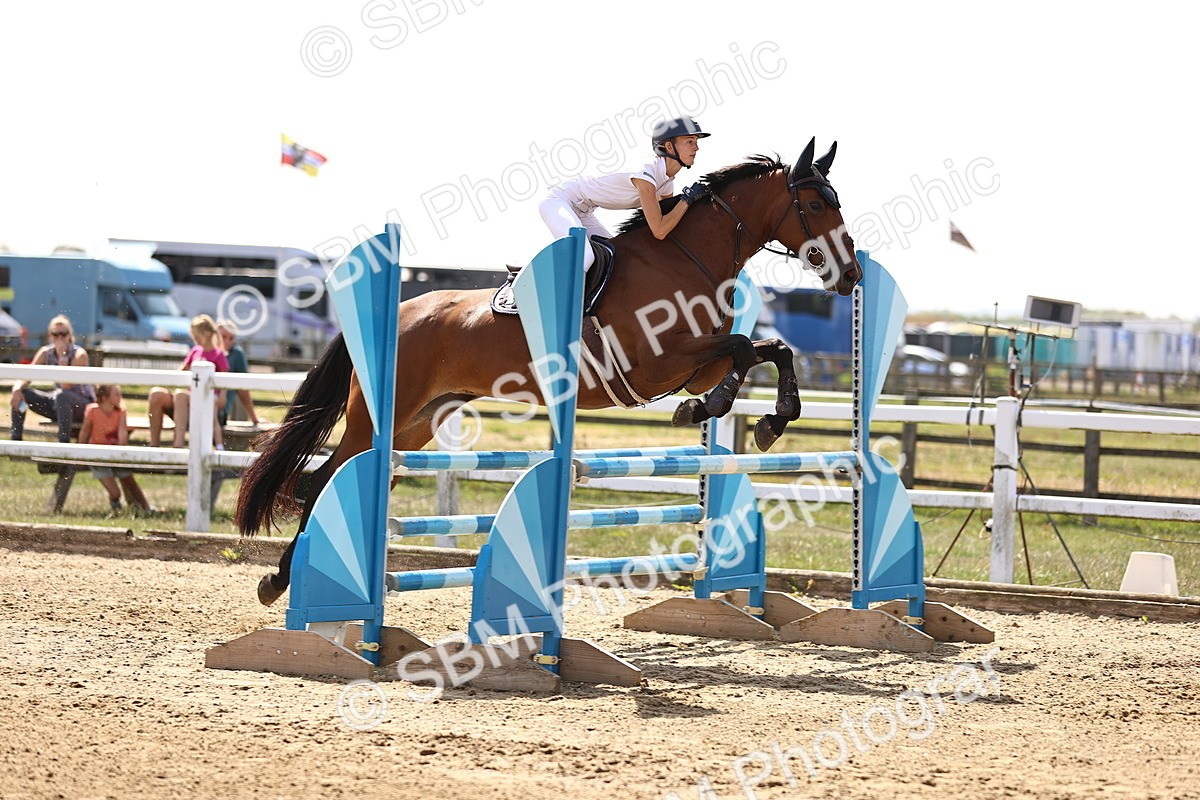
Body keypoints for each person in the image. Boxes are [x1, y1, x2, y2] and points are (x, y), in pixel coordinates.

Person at [538, 116, 712, 272]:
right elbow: (659, 230)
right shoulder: (647, 173)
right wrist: (687, 199)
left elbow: (669, 220)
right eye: (690, 141)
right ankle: (521, 294)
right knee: (586, 258)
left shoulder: (666, 181)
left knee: (616, 260)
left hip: (584, 212)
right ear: (668, 146)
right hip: (559, 202)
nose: (696, 148)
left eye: (696, 142)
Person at [10, 315, 95, 443]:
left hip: (82, 406)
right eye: (56, 334)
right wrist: (16, 389)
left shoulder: (79, 354)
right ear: (50, 336)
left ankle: (63, 443)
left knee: (62, 396)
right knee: (22, 395)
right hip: (60, 405)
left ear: (69, 335)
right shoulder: (46, 352)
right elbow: (26, 376)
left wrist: (62, 361)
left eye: (63, 334)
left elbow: (67, 386)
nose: (60, 338)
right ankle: (16, 440)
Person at [148, 314, 229, 448]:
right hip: (188, 399)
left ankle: (178, 443)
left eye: (197, 336)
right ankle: (154, 444)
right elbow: (181, 371)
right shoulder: (195, 351)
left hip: (205, 399)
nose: (195, 339)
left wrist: (222, 396)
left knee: (181, 395)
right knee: (157, 393)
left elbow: (225, 378)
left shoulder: (217, 355)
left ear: (207, 334)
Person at [79, 384, 152, 515]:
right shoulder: (92, 411)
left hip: (115, 454)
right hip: (97, 456)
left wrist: (121, 454)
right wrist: (80, 454)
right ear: (104, 397)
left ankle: (145, 508)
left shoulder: (120, 411)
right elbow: (85, 432)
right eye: (116, 394)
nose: (120, 397)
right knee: (115, 492)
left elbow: (122, 434)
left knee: (129, 480)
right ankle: (116, 508)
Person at [216, 319, 261, 427]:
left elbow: (243, 389)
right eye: (223, 337)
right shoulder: (207, 351)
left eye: (231, 338)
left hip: (219, 411)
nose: (227, 341)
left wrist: (254, 419)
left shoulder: (236, 354)